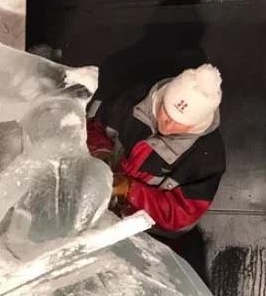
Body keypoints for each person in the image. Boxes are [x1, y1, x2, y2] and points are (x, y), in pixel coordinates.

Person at [86, 64, 225, 263]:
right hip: (90, 209)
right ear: (162, 97)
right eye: (165, 112)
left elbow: (181, 215)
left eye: (178, 123)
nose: (167, 124)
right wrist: (100, 153)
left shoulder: (208, 159)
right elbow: (92, 125)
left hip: (143, 240)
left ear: (196, 125)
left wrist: (130, 191)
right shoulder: (130, 101)